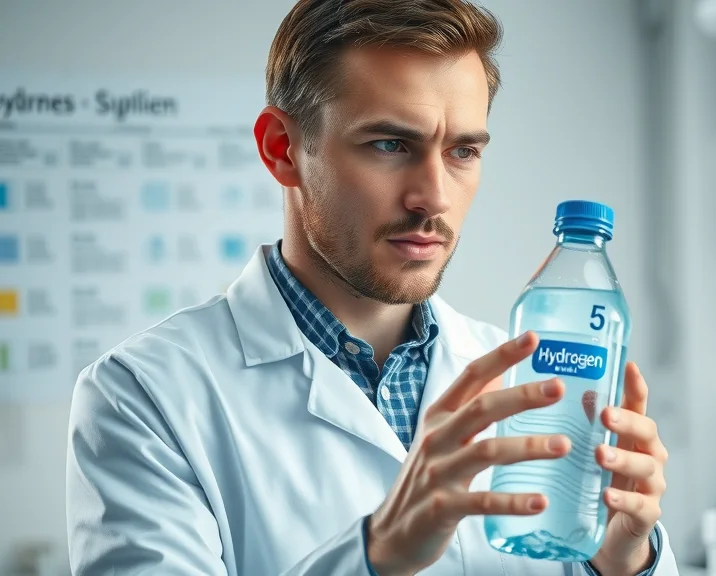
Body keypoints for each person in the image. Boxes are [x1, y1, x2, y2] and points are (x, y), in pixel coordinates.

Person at [65, 1, 678, 574]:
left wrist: (620, 562)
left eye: (463, 151)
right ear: (283, 149)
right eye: (390, 144)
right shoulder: (142, 396)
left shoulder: (526, 384)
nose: (433, 197)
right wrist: (378, 552)